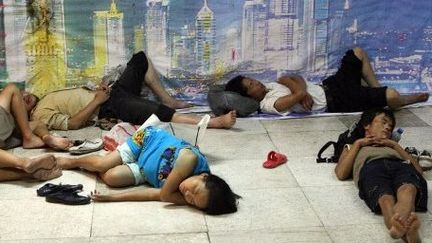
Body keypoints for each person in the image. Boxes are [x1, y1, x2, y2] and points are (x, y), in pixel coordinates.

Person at [56, 125, 240, 215]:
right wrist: (181, 200)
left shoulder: (190, 195)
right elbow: (165, 195)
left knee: (111, 178)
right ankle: (72, 162)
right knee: (102, 165)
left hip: (144, 170)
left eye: (192, 201)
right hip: (147, 141)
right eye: (195, 189)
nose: (187, 194)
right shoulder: (189, 159)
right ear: (204, 176)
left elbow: (153, 195)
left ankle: (110, 156)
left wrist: (111, 198)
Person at [28, 51, 236, 130]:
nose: (24, 96)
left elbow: (75, 99)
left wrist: (97, 91)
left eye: (22, 94)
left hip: (110, 93)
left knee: (140, 59)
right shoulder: (39, 115)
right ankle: (209, 123)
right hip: (108, 106)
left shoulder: (44, 97)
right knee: (156, 112)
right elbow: (72, 123)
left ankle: (169, 100)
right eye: (20, 100)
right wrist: (97, 101)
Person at [225, 47, 429, 115]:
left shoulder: (269, 86)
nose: (257, 83)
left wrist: (301, 90)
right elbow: (292, 96)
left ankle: (377, 92)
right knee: (393, 95)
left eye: (253, 80)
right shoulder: (268, 104)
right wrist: (298, 91)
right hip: (339, 100)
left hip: (331, 84)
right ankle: (401, 101)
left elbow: (289, 78)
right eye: (251, 86)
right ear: (248, 95)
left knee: (356, 53)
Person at [335, 108, 427, 242]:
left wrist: (395, 145)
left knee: (408, 191)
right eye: (383, 122)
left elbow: (418, 171)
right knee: (384, 198)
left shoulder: (393, 146)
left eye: (390, 126)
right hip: (371, 168)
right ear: (367, 125)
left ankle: (400, 230)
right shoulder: (352, 145)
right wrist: (358, 143)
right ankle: (408, 234)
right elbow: (341, 173)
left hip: (400, 165)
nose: (387, 127)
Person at [0, 83, 72, 150]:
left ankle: (43, 138)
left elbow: (38, 125)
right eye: (22, 95)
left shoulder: (21, 126)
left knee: (11, 88)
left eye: (27, 104)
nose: (24, 98)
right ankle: (29, 138)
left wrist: (46, 137)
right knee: (11, 87)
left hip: (5, 136)